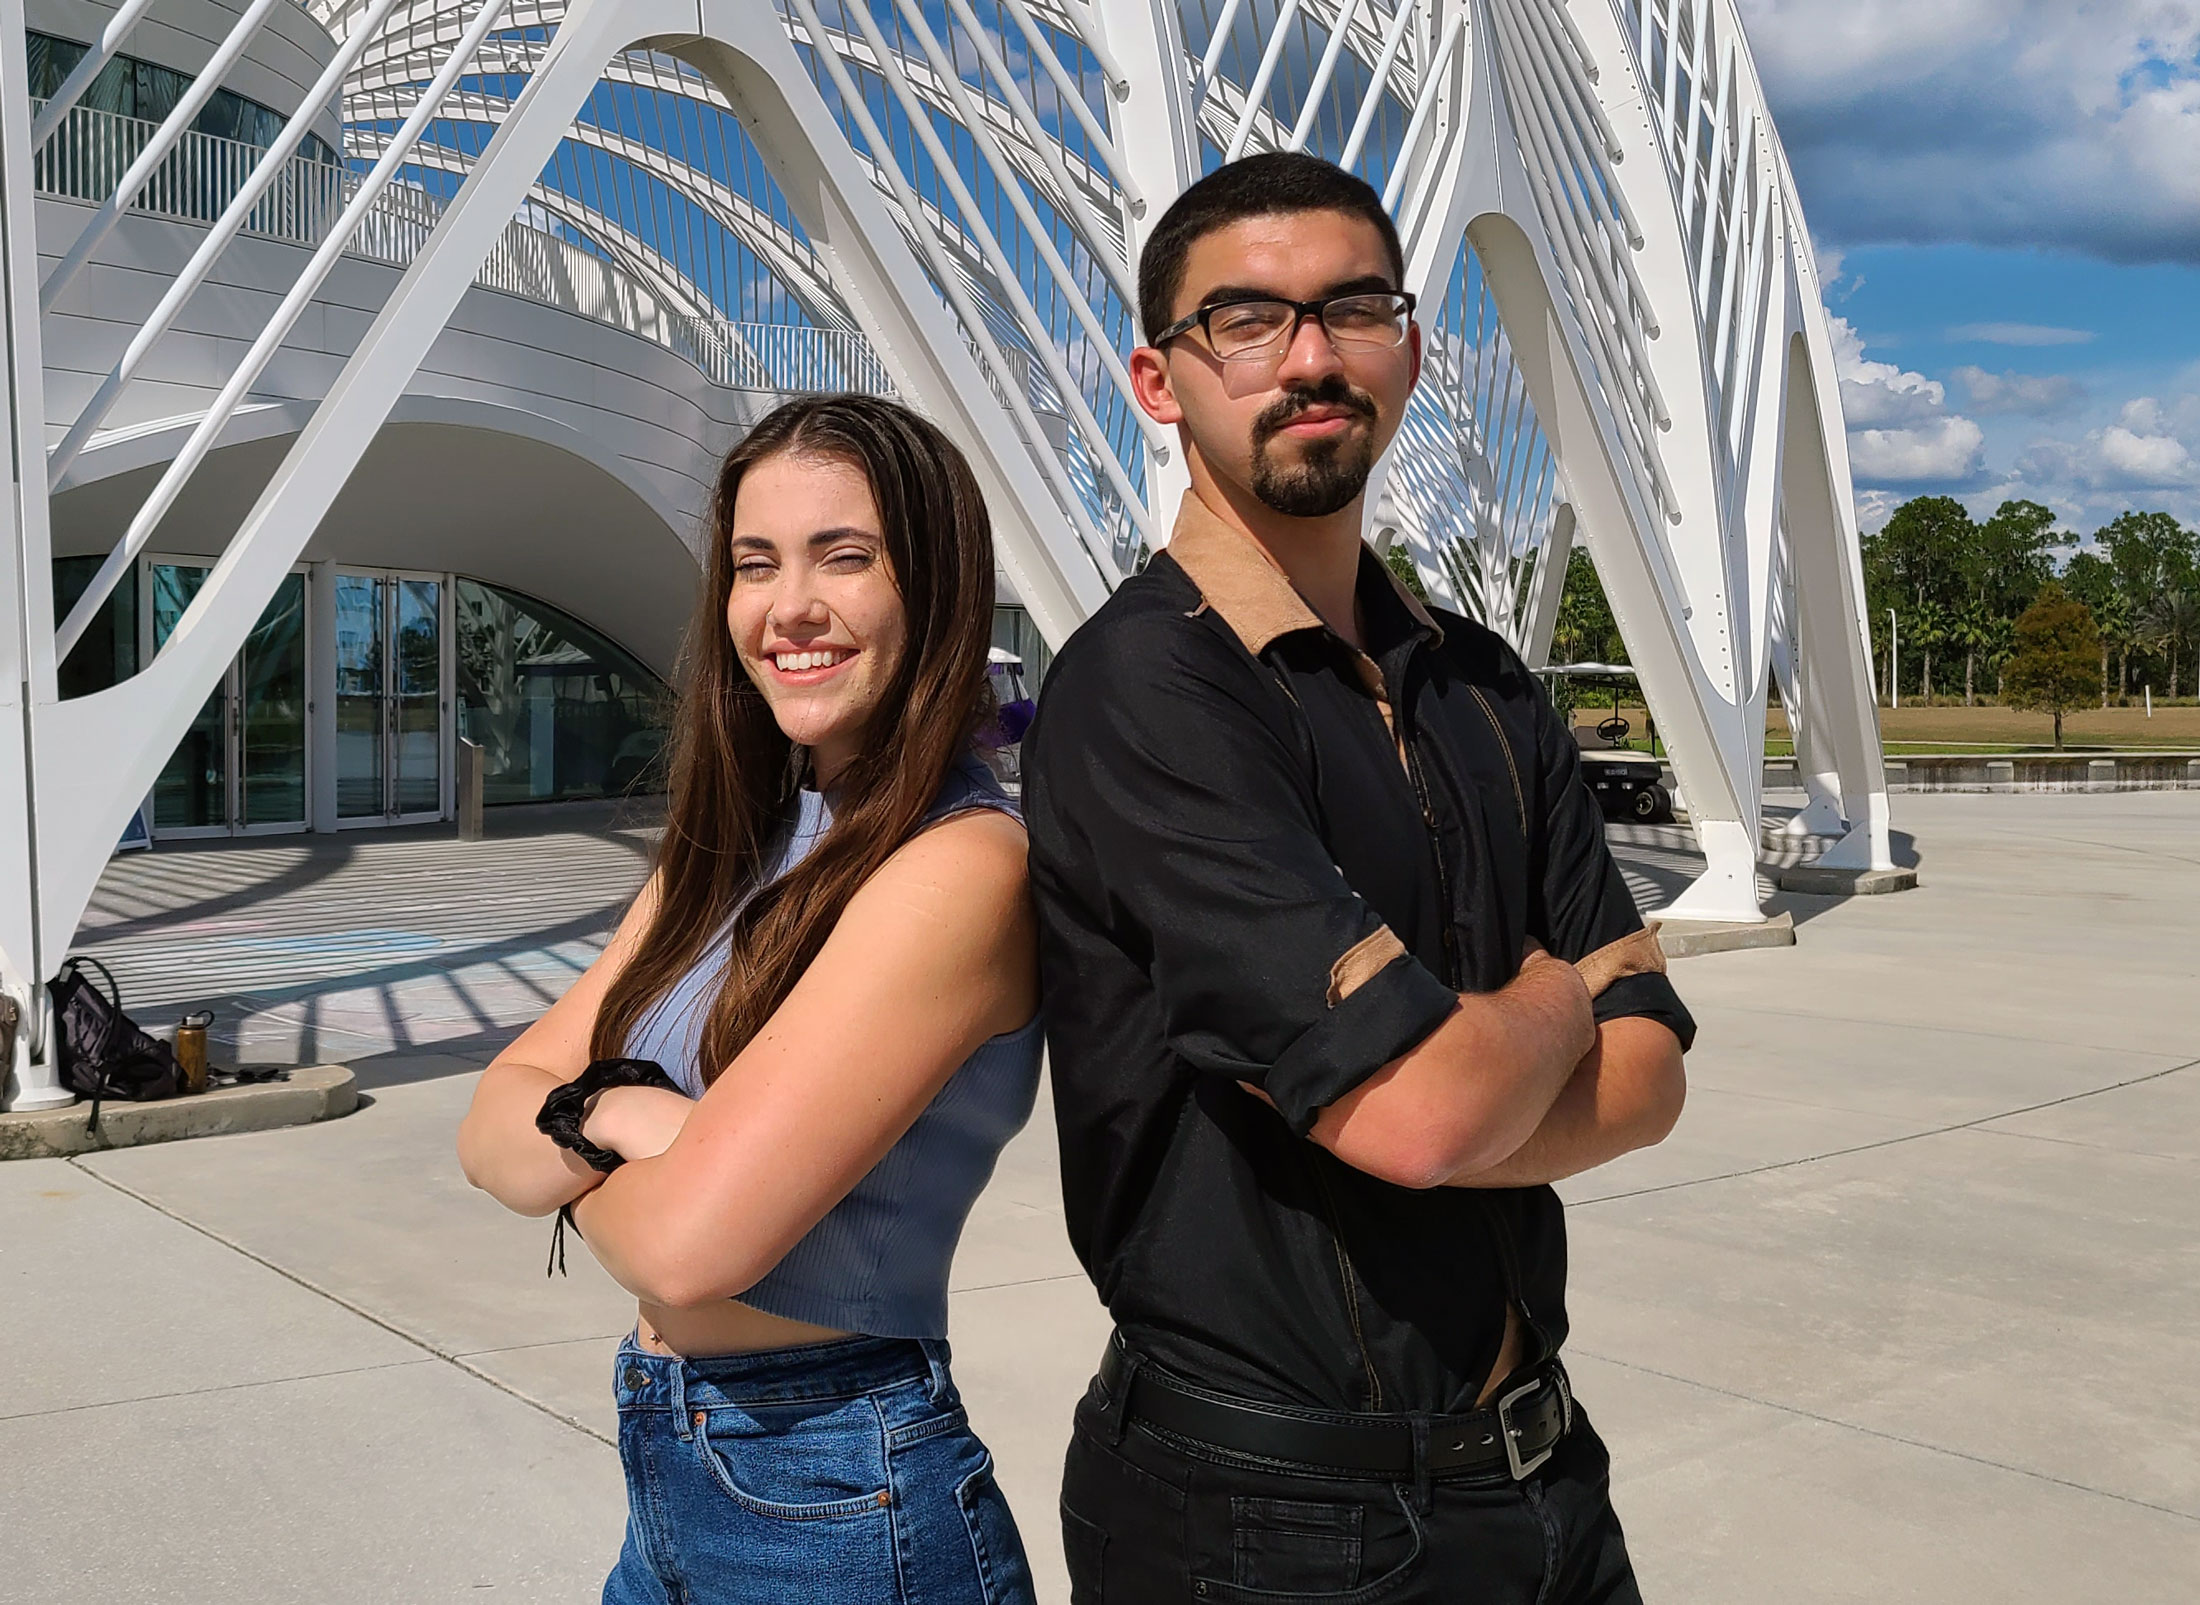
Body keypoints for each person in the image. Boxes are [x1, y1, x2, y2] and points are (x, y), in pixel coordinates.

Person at [1023, 152, 1697, 1603]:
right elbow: (1419, 1113)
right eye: (1247, 321)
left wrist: (1451, 1075)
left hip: (1547, 1485)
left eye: (1353, 309)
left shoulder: (1487, 686)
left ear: (1408, 344)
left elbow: (1649, 1079)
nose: (1311, 358)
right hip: (1269, 1526)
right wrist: (1543, 995)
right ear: (1159, 379)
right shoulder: (1146, 693)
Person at [456, 394, 1041, 1605]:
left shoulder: (958, 866)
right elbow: (487, 1136)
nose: (791, 608)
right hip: (671, 1473)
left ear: (934, 588)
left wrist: (590, 1133)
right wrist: (629, 1115)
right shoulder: (734, 846)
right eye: (755, 564)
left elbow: (689, 1248)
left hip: (834, 1494)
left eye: (846, 556)